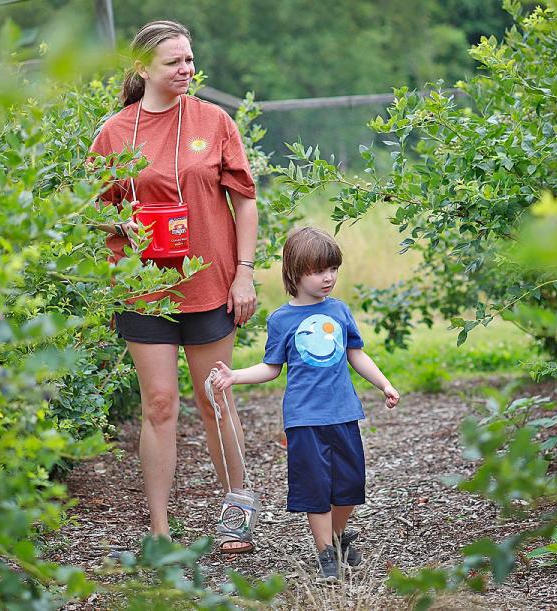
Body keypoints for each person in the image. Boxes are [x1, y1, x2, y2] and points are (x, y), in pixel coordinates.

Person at [89, 20, 259, 554]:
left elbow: (245, 200)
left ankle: (238, 507)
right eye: (174, 62)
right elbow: (94, 209)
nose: (186, 70)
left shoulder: (214, 120)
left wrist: (245, 270)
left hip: (210, 283)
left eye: (189, 60)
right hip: (143, 289)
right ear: (143, 69)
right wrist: (126, 227)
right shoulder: (115, 132)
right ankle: (160, 531)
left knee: (215, 398)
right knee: (159, 404)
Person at [211, 227, 400, 581]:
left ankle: (338, 536)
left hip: (344, 414)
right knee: (315, 487)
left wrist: (384, 384)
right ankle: (325, 553)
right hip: (303, 420)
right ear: (295, 272)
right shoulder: (282, 320)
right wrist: (235, 375)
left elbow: (355, 355)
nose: (328, 277)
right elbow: (271, 367)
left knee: (349, 486)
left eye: (333, 269)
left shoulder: (340, 312)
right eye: (318, 271)